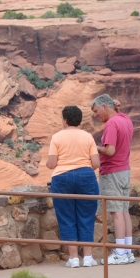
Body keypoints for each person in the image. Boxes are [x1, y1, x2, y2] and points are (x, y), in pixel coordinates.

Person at [46, 105, 102, 268]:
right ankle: (88, 257)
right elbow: (96, 163)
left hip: (62, 177)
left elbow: (52, 163)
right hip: (86, 176)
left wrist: (50, 163)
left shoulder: (57, 137)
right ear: (79, 120)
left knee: (66, 216)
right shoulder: (88, 137)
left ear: (65, 120)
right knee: (87, 216)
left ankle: (74, 258)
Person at [91, 94, 135, 265]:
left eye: (96, 111)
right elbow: (117, 111)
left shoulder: (111, 124)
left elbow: (110, 150)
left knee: (116, 212)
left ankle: (120, 253)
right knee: (124, 211)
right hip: (124, 170)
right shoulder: (125, 119)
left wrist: (94, 147)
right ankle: (128, 251)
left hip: (112, 171)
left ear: (104, 106)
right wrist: (116, 108)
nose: (96, 115)